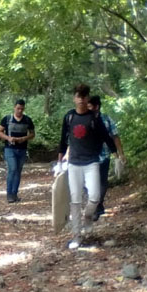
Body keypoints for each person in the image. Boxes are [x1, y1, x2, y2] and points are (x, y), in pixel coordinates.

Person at [58, 84, 116, 249]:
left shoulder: (94, 118)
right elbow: (63, 140)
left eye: (84, 96)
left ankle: (88, 216)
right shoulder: (69, 117)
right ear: (74, 98)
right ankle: (76, 236)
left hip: (91, 162)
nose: (82, 99)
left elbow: (106, 136)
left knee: (95, 197)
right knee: (75, 200)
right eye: (79, 96)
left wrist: (116, 154)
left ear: (88, 98)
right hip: (74, 164)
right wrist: (59, 162)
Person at [88, 95, 126, 221]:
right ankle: (95, 205)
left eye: (89, 106)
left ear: (96, 107)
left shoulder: (106, 120)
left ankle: (98, 205)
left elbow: (115, 136)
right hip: (88, 157)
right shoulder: (83, 120)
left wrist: (120, 154)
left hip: (104, 155)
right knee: (89, 183)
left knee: (102, 182)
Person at [0, 99, 35, 203]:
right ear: (14, 107)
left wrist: (24, 138)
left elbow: (32, 134)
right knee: (12, 169)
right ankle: (9, 194)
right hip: (10, 149)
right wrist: (8, 138)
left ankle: (15, 194)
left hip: (22, 149)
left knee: (18, 171)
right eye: (18, 108)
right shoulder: (7, 119)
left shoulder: (27, 120)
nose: (20, 111)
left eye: (22, 109)